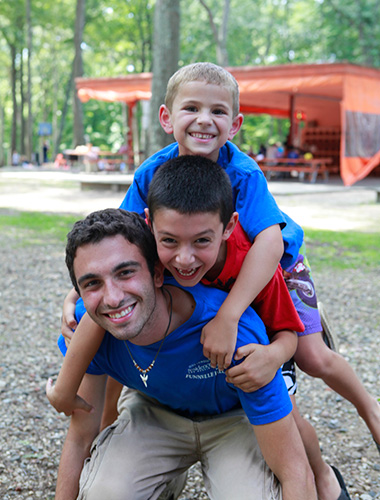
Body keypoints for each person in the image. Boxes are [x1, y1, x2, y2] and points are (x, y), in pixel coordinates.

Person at [62, 62, 380, 455]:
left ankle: (371, 412)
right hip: (200, 261)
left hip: (274, 268)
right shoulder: (153, 173)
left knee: (312, 355)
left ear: (235, 124)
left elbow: (269, 244)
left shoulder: (243, 173)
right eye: (191, 108)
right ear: (166, 117)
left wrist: (229, 316)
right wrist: (80, 293)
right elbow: (119, 238)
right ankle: (107, 438)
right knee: (125, 336)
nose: (204, 120)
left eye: (217, 112)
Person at [48, 208, 317, 500]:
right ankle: (163, 482)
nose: (112, 298)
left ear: (157, 274)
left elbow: (294, 470)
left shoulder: (233, 335)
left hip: (235, 419)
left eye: (125, 273)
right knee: (105, 494)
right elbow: (80, 436)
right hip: (154, 410)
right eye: (92, 283)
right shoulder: (88, 332)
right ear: (78, 292)